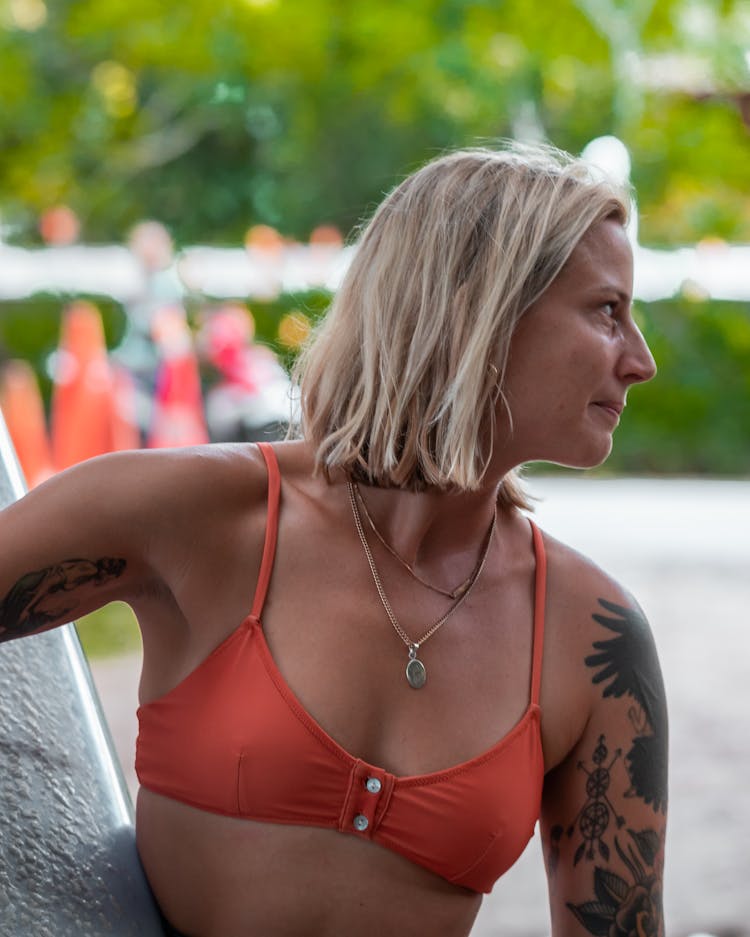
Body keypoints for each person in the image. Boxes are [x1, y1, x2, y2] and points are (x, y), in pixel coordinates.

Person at [0, 144, 667, 937]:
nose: (642, 361)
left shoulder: (593, 638)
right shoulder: (193, 515)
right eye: (606, 311)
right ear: (481, 305)